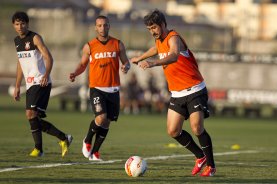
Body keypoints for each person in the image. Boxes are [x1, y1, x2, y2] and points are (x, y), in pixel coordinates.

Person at [131, 9, 216, 177]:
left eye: (154, 27)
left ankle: (211, 166)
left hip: (195, 89)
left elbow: (174, 55)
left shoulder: (173, 37)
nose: (152, 32)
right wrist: (140, 57)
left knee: (197, 128)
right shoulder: (160, 40)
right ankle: (200, 157)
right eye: (149, 29)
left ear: (163, 24)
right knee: (173, 131)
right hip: (177, 93)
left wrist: (153, 64)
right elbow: (156, 49)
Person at [69, 15, 130, 161]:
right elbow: (83, 64)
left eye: (105, 25)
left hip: (113, 89)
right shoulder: (89, 46)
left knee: (107, 122)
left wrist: (126, 66)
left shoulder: (118, 44)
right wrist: (75, 73)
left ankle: (95, 153)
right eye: (100, 25)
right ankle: (87, 140)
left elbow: (125, 61)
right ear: (96, 27)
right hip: (97, 88)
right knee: (101, 118)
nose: (103, 28)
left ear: (109, 26)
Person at [12, 11, 73, 157]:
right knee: (33, 119)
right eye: (17, 24)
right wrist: (17, 86)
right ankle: (64, 138)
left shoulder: (35, 38)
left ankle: (39, 149)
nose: (20, 27)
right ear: (13, 25)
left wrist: (46, 75)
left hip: (41, 81)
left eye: (22, 23)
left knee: (30, 114)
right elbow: (21, 64)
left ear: (27, 24)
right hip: (30, 84)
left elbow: (49, 58)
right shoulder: (16, 41)